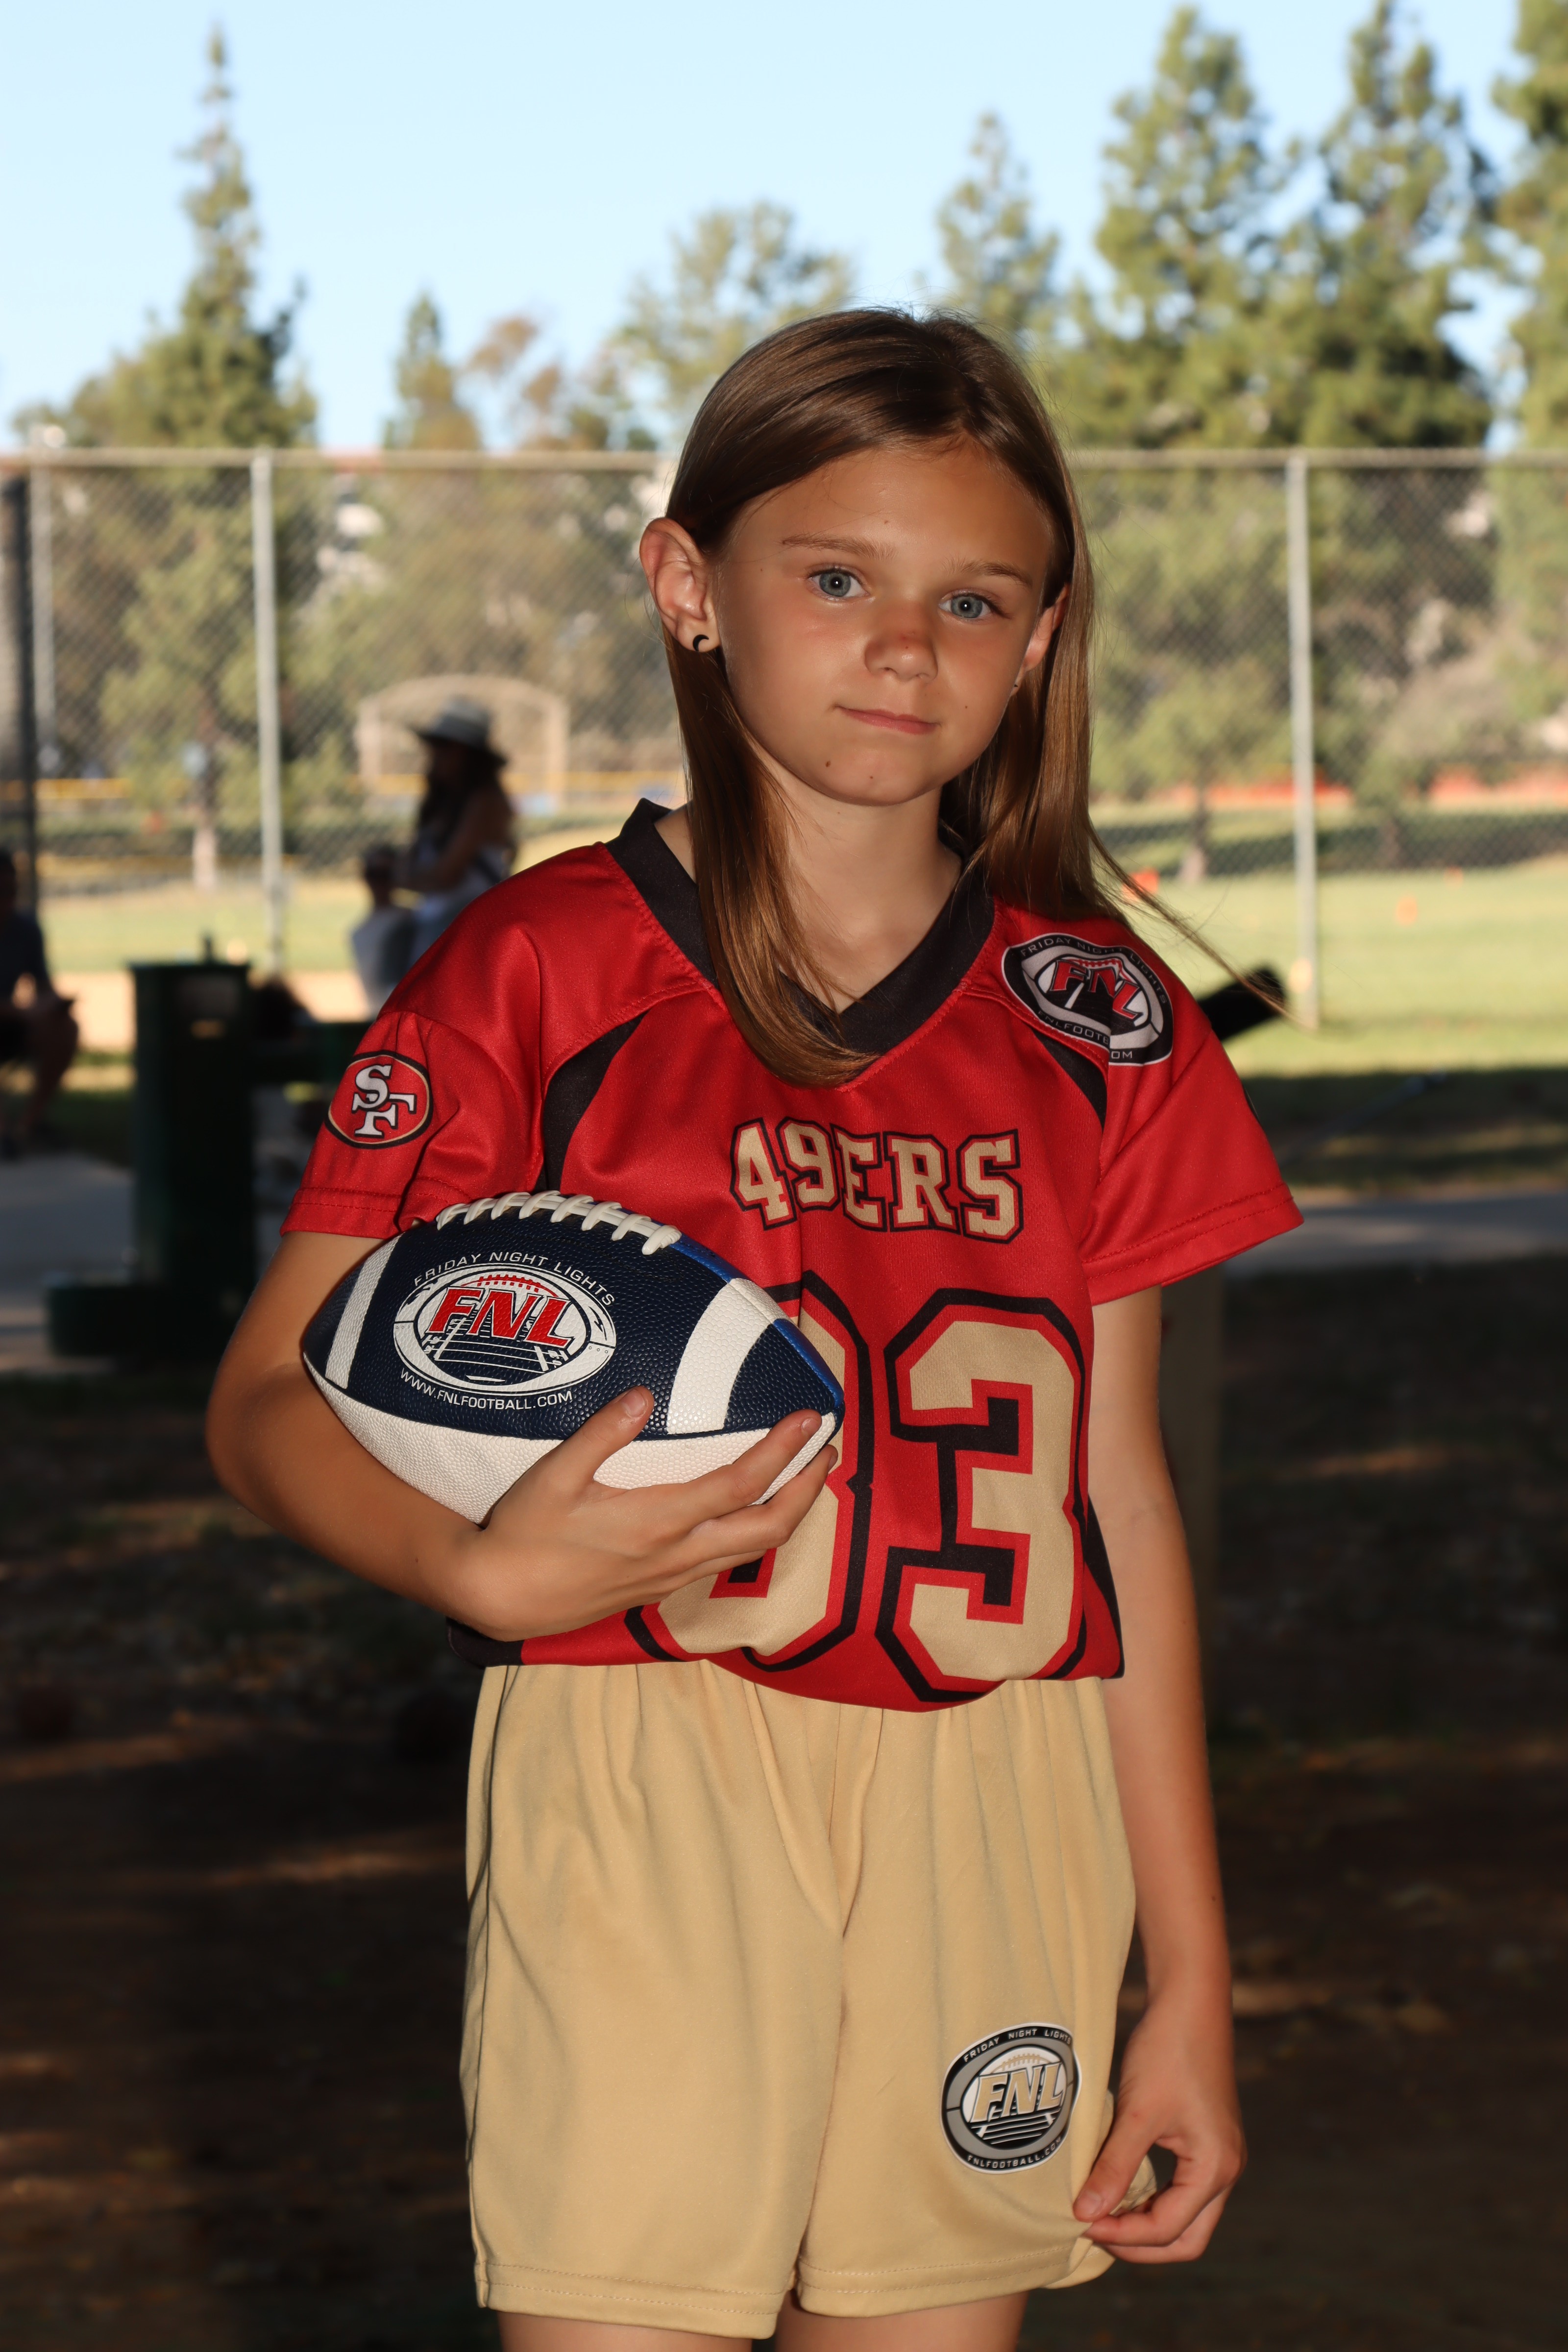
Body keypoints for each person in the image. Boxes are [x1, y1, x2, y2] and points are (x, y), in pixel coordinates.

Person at [208, 312, 1301, 2351]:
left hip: (1001, 1779)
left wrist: (1194, 1979)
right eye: (837, 578)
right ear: (688, 585)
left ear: (1042, 638)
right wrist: (468, 1565)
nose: (905, 648)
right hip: (645, 1752)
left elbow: (1122, 1508)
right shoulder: (539, 965)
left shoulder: (1097, 1013)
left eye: (971, 599)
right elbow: (264, 1402)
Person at [351, 698, 517, 1010]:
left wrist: (404, 877)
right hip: (434, 917)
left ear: (469, 755)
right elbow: (415, 863)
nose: (435, 756)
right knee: (380, 941)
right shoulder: (440, 805)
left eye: (445, 747)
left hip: (468, 920)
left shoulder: (485, 802)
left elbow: (445, 875)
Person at [0, 847, 78, 1153]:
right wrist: (20, 1012)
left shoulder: (25, 930)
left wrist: (52, 1005)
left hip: (12, 1024)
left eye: (11, 891)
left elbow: (44, 987)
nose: (7, 900)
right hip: (13, 1016)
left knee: (65, 1028)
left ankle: (28, 1126)